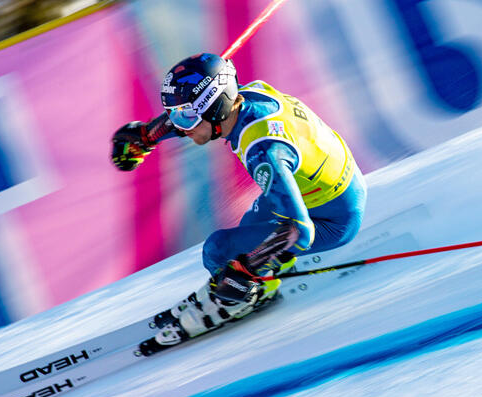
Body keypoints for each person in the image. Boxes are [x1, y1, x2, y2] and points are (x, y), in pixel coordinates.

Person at [110, 53, 367, 341]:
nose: (180, 126)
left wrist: (245, 268)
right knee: (247, 229)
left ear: (216, 108)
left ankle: (253, 296)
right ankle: (262, 276)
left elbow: (300, 231)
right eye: (173, 114)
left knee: (218, 250)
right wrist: (146, 136)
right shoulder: (246, 96)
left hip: (331, 219)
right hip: (325, 187)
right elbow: (197, 108)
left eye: (186, 116)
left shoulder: (264, 150)